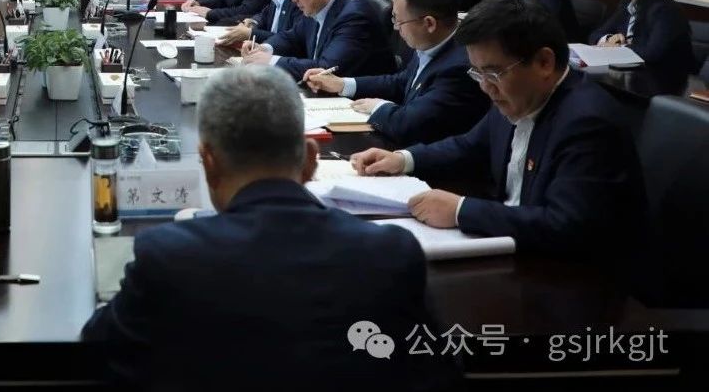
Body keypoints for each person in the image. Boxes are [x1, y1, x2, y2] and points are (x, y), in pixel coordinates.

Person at [81, 66, 460, 390]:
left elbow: (97, 354)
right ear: (310, 160)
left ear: (208, 162)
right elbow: (439, 373)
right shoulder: (391, 254)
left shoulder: (168, 257)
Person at [350, 0, 645, 260]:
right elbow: (469, 147)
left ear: (544, 62)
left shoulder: (587, 121)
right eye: (477, 73)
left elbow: (566, 225)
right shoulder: (515, 95)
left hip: (580, 277)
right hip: (515, 247)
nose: (485, 87)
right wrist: (403, 159)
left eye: (493, 73)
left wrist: (461, 211)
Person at [303, 0, 490, 146]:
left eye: (398, 20)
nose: (395, 27)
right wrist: (343, 84)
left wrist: (378, 107)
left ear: (429, 24)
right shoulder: (431, 42)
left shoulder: (460, 67)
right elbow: (401, 82)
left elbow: (410, 124)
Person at [243, 0, 396, 80]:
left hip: (358, 101)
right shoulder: (317, 6)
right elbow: (293, 36)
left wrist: (271, 61)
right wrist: (265, 48)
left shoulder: (354, 16)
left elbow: (326, 69)